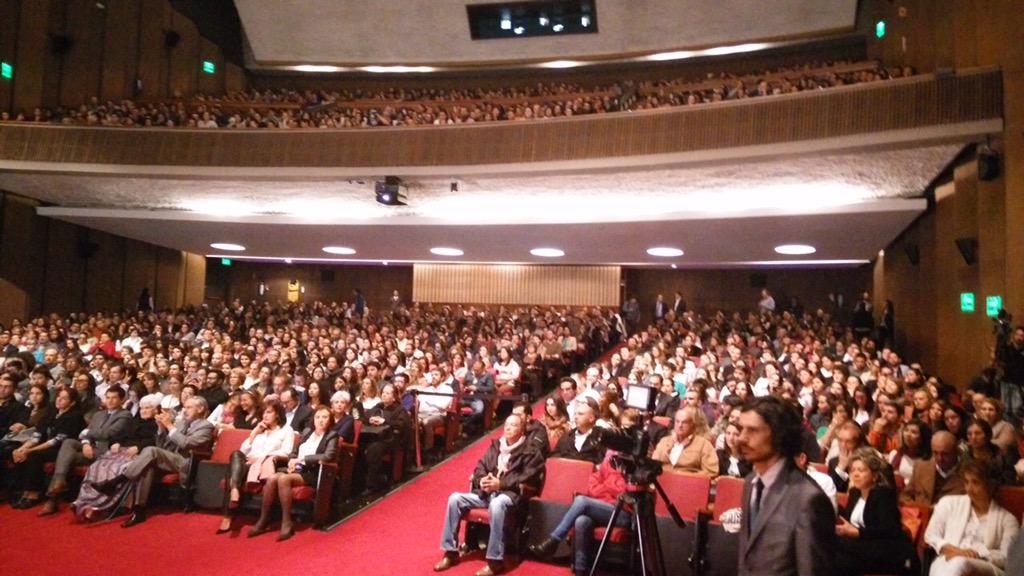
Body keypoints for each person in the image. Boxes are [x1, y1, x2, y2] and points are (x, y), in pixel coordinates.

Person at [736, 396, 835, 575]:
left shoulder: (809, 499)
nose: (741, 438)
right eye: (741, 429)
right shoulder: (750, 483)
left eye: (753, 430)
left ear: (779, 434)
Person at [434, 414, 544, 576]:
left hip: (510, 495)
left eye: (513, 425)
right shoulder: (496, 446)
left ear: (522, 430)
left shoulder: (531, 451)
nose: (507, 428)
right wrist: (482, 480)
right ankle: (451, 552)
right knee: (454, 499)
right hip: (487, 493)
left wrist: (501, 484)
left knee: (497, 504)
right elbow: (480, 467)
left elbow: (528, 477)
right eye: (506, 424)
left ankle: (495, 561)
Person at [114, 396, 215, 527]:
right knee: (148, 466)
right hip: (171, 458)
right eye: (184, 407)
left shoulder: (206, 426)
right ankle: (139, 510)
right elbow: (162, 446)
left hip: (187, 461)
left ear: (201, 409)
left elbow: (186, 443)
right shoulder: (182, 424)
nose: (185, 410)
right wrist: (161, 428)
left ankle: (120, 479)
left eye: (189, 407)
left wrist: (169, 425)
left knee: (151, 450)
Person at [249, 405, 338, 541]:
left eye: (324, 417)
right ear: (313, 419)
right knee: (272, 478)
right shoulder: (308, 432)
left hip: (313, 472)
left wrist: (301, 459)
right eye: (318, 417)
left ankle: (287, 521)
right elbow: (294, 452)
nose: (320, 420)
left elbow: (328, 456)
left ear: (330, 420)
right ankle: (264, 518)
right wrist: (291, 461)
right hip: (296, 469)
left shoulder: (332, 435)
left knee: (284, 479)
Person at [40, 386, 132, 515]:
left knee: (66, 458)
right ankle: (59, 482)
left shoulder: (125, 415)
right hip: (91, 449)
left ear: (122, 400)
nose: (110, 401)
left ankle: (53, 498)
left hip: (106, 452)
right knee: (68, 444)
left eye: (114, 398)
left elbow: (107, 434)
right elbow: (83, 435)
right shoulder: (99, 414)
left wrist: (88, 433)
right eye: (108, 397)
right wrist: (85, 444)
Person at [924, 460, 1020, 576]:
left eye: (975, 482)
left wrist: (977, 554)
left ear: (989, 485)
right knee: (949, 564)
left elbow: (1007, 556)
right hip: (947, 559)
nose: (969, 488)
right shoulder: (948, 503)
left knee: (960, 562)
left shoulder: (1008, 519)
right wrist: (957, 551)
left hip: (985, 565)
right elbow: (931, 535)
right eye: (966, 482)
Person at [835, 448, 918, 576]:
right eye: (852, 470)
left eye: (861, 470)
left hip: (888, 549)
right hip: (863, 546)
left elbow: (889, 530)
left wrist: (858, 533)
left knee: (840, 554)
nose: (855, 474)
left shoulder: (884, 495)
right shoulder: (855, 493)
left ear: (875, 475)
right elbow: (848, 523)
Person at [217, 400, 294, 533]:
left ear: (277, 414)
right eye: (263, 412)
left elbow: (286, 452)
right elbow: (244, 450)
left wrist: (261, 458)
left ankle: (228, 515)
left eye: (269, 412)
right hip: (249, 464)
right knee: (236, 454)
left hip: (266, 465)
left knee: (233, 471)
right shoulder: (259, 430)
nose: (265, 415)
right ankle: (235, 489)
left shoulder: (286, 430)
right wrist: (254, 434)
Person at [8, 388, 86, 509]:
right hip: (47, 447)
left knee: (34, 455)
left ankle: (34, 494)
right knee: (17, 452)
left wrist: (31, 450)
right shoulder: (51, 413)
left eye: (64, 398)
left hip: (63, 450)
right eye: (58, 396)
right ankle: (22, 491)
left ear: (72, 402)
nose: (59, 400)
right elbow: (37, 436)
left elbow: (56, 441)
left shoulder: (74, 416)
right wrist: (22, 449)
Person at [359, 382, 410, 495]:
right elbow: (364, 417)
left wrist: (385, 421)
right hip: (373, 436)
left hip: (390, 439)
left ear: (394, 396)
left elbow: (401, 425)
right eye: (383, 393)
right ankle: (358, 482)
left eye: (388, 393)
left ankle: (372, 485)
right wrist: (370, 420)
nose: (384, 395)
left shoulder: (400, 409)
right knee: (359, 446)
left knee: (374, 449)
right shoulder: (378, 406)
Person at [901, 430, 966, 506]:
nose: (939, 458)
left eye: (945, 454)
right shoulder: (921, 466)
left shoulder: (967, 473)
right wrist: (920, 511)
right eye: (935, 453)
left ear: (956, 452)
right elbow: (905, 496)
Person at [651, 406, 718, 477]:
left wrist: (683, 475)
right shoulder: (664, 441)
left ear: (692, 425)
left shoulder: (704, 444)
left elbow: (711, 471)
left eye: (684, 422)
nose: (680, 425)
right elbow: (653, 465)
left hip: (689, 484)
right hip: (663, 482)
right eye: (677, 421)